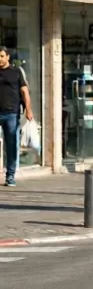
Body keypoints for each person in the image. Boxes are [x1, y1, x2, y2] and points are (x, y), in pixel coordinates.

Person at [0, 47, 33, 187]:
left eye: (1, 56)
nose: (0, 59)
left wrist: (28, 110)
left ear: (7, 57)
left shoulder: (16, 72)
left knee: (11, 145)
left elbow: (25, 92)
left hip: (11, 114)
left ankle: (10, 175)